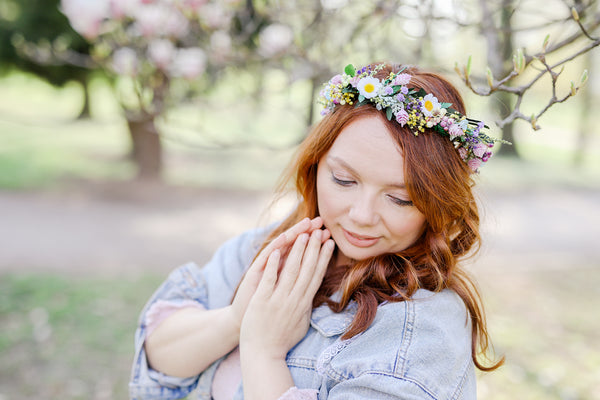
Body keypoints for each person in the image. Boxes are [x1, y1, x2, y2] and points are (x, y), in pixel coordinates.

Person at [129, 62, 504, 400]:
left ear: (434, 205)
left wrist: (264, 352)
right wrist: (234, 320)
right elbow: (156, 355)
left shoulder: (418, 330)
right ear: (315, 166)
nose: (361, 216)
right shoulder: (264, 250)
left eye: (399, 199)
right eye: (343, 180)